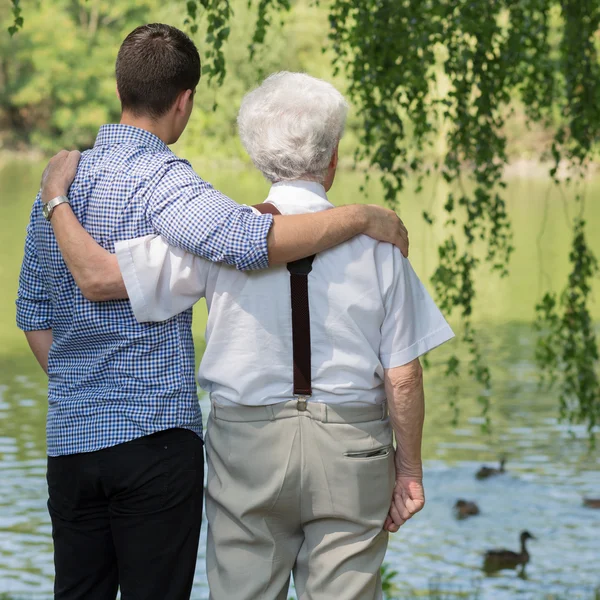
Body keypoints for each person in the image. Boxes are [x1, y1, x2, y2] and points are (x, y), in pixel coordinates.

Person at [17, 24, 409, 600]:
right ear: (185, 101)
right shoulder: (170, 184)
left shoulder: (59, 186)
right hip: (154, 440)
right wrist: (360, 218)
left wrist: (84, 384)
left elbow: (33, 316)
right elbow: (254, 242)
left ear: (120, 87)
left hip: (72, 443)